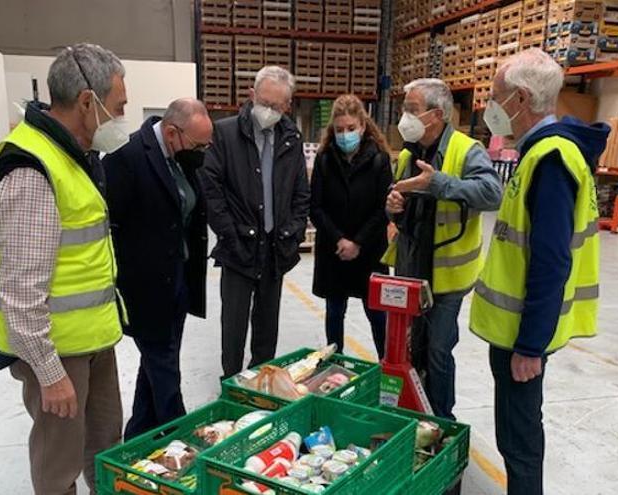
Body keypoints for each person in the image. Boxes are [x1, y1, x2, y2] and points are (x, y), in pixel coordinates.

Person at [0, 43, 128, 494]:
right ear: (87, 102)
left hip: (91, 340)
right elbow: (19, 291)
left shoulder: (70, 155)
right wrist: (49, 372)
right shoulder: (31, 167)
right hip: (58, 351)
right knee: (59, 465)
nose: (120, 119)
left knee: (104, 448)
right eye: (117, 108)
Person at [469, 48, 608, 495]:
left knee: (520, 438)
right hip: (515, 330)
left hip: (522, 336)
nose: (490, 106)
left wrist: (530, 345)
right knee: (518, 431)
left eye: (495, 96)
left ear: (521, 99)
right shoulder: (539, 155)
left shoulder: (550, 161)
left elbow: (551, 264)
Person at [384, 78, 503, 419]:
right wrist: (392, 206)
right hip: (410, 268)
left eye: (411, 110)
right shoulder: (408, 154)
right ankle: (416, 414)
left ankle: (441, 419)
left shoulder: (467, 150)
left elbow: (491, 193)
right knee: (410, 348)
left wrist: (438, 183)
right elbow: (398, 199)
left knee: (438, 349)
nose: (404, 117)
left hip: (447, 276)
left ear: (436, 115)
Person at [102, 98, 212, 439]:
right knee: (164, 367)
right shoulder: (127, 157)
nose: (202, 152)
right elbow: (110, 227)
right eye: (198, 145)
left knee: (155, 365)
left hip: (177, 280)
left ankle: (137, 436)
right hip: (144, 288)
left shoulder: (183, 158)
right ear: (171, 132)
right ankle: (181, 439)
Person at [200, 66, 310, 379]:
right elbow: (211, 187)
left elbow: (301, 192)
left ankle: (260, 383)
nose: (269, 111)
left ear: (287, 106)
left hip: (275, 248)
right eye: (264, 102)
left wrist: (293, 233)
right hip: (238, 248)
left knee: (267, 326)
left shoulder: (291, 138)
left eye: (276, 107)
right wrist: (229, 234)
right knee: (233, 326)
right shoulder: (226, 133)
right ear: (251, 96)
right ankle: (231, 381)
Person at [310, 94, 392, 359]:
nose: (345, 135)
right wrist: (339, 240)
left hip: (368, 251)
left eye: (351, 128)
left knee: (378, 314)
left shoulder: (379, 160)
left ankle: (386, 365)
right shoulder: (324, 159)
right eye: (339, 129)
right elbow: (316, 207)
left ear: (363, 126)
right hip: (334, 252)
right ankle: (335, 365)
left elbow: (384, 209)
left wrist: (357, 242)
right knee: (334, 312)